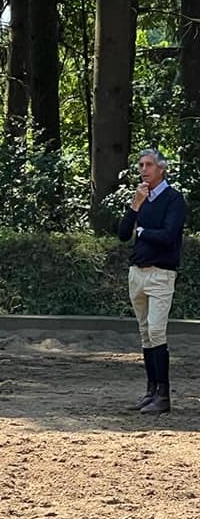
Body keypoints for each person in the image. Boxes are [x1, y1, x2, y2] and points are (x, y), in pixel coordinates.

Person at [118, 148, 185, 415]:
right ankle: (151, 390)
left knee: (157, 331)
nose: (143, 169)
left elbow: (168, 235)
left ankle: (164, 395)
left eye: (148, 165)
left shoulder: (174, 200)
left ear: (161, 169)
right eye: (140, 165)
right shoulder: (141, 198)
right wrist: (135, 205)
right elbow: (124, 234)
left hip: (160, 274)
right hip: (137, 273)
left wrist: (142, 230)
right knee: (146, 334)